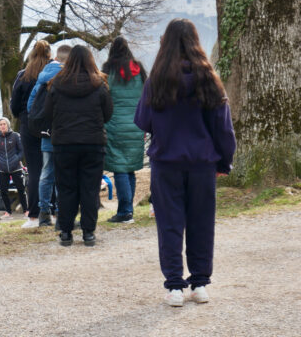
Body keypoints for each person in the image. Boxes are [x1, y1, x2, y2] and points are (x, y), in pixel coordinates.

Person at [134, 18, 236, 307]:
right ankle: (200, 283)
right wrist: (224, 161)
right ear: (195, 42)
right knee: (202, 223)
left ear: (165, 43)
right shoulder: (209, 79)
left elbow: (143, 120)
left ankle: (175, 286)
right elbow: (224, 129)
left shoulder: (156, 81)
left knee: (169, 224)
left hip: (166, 162)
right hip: (203, 162)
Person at [43, 45, 113, 247]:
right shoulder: (99, 85)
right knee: (90, 189)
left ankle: (65, 232)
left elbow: (48, 114)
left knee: (66, 189)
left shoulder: (56, 85)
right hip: (93, 144)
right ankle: (89, 232)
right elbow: (107, 114)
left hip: (64, 144)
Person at [102, 36, 147, 224]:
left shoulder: (107, 70)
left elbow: (103, 96)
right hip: (137, 125)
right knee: (129, 169)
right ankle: (128, 210)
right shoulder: (139, 70)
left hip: (115, 125)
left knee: (120, 168)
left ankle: (125, 212)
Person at [27, 45, 72, 227]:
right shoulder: (68, 76)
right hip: (65, 132)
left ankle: (44, 213)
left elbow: (31, 105)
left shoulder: (43, 75)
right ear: (68, 60)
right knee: (63, 174)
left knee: (46, 173)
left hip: (47, 133)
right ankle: (61, 214)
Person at [11, 40, 51, 227]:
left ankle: (34, 214)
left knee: (34, 171)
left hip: (28, 126)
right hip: (51, 125)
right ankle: (53, 209)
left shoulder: (23, 76)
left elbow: (14, 106)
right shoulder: (53, 74)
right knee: (52, 167)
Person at [0, 117, 27, 219]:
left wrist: (16, 159)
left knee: (21, 189)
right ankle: (8, 212)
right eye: (1, 124)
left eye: (4, 124)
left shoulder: (15, 136)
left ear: (8, 125)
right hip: (2, 169)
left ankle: (26, 211)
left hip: (16, 167)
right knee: (3, 191)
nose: (2, 126)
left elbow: (21, 151)